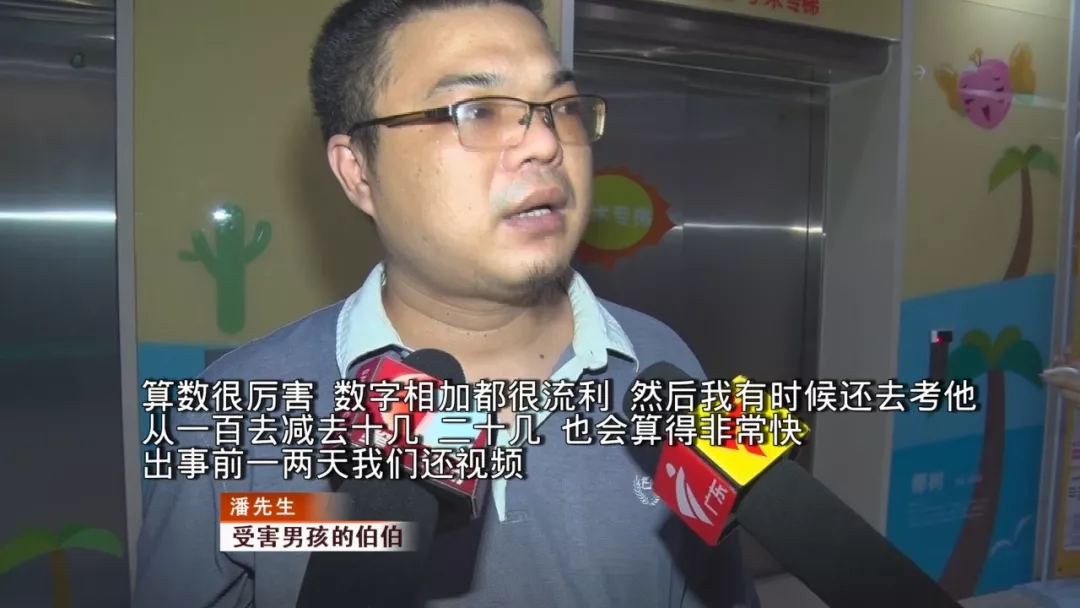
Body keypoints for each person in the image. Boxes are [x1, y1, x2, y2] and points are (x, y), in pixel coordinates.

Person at [133, 0, 759, 606]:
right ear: (358, 172)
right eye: (478, 110)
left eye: (561, 107)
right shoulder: (234, 416)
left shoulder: (667, 360)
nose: (545, 144)